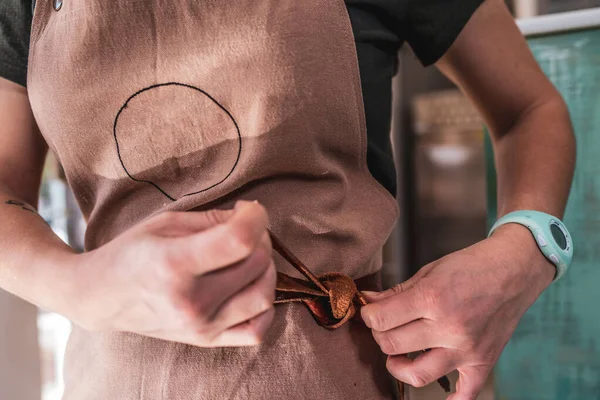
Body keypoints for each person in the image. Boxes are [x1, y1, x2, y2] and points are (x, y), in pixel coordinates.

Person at [0, 0, 575, 399]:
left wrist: (528, 250)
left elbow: (529, 110)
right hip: (110, 382)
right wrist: (78, 288)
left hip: (338, 380)